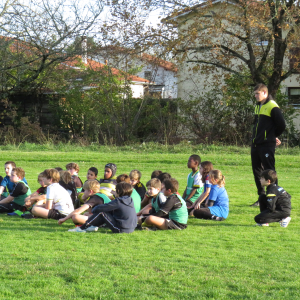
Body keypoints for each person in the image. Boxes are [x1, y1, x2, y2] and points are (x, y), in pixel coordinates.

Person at [250, 83, 286, 206]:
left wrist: (272, 136)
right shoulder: (258, 106)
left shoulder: (272, 106)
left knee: (269, 171)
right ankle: (261, 198)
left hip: (266, 145)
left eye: (257, 93)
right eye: (255, 93)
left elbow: (282, 124)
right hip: (256, 144)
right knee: (257, 171)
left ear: (265, 93)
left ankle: (274, 197)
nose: (255, 96)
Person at [68, 182, 137, 233]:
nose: (113, 192)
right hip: (131, 229)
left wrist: (94, 210)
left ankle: (81, 228)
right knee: (105, 213)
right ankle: (93, 226)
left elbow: (101, 208)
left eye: (115, 190)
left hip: (121, 229)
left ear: (118, 191)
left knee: (102, 213)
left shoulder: (118, 201)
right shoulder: (130, 200)